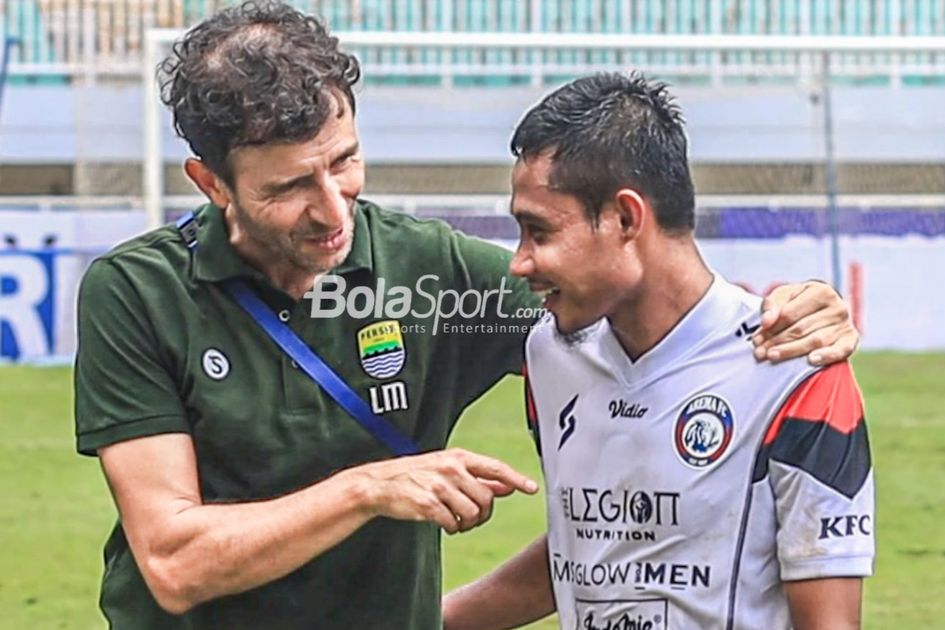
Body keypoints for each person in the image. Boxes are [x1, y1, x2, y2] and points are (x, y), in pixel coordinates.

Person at [73, 2, 859, 628]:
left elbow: (641, 302)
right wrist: (368, 488)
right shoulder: (139, 294)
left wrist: (788, 313)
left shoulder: (433, 275)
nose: (332, 209)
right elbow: (174, 564)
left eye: (344, 162)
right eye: (289, 188)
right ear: (211, 183)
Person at [442, 73, 873, 630]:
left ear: (626, 218)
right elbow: (594, 553)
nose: (519, 262)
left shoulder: (795, 370)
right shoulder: (548, 356)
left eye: (539, 232)